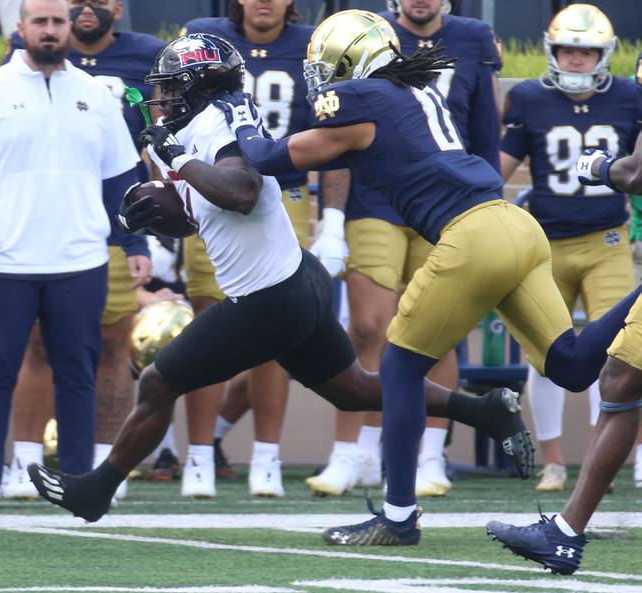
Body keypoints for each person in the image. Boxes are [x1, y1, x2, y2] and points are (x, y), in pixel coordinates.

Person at [25, 32, 534, 527]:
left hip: (270, 296)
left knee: (159, 381)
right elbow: (206, 209)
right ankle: (484, 410)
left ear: (202, 84)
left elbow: (242, 190)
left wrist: (179, 159)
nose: (165, 97)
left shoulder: (220, 120)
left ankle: (96, 491)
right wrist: (156, 213)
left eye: (176, 85)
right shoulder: (198, 125)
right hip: (294, 284)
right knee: (354, 389)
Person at [213, 9, 642, 546]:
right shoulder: (413, 91)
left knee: (397, 370)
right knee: (571, 365)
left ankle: (397, 516)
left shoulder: (361, 98)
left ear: (354, 59)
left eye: (328, 63)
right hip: (515, 224)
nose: (321, 75)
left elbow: (272, 158)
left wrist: (239, 116)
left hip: (472, 235)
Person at [0, 0, 142, 510]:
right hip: (5, 259)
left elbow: (121, 180)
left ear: (69, 28)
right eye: (39, 22)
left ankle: (76, 481)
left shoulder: (96, 95)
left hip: (81, 258)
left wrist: (135, 242)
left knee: (78, 371)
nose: (49, 31)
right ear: (21, 28)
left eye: (57, 22)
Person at [308, 0, 502, 498]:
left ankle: (431, 455)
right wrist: (331, 219)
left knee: (440, 329)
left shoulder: (473, 38)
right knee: (370, 325)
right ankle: (353, 450)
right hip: (377, 198)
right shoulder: (365, 34)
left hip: (445, 203)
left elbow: (484, 130)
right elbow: (334, 132)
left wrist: (490, 201)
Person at [483, 82, 642, 577]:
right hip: (559, 236)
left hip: (605, 237)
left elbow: (635, 173)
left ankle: (565, 534)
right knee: (617, 375)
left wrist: (598, 167)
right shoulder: (534, 100)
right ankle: (566, 532)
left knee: (617, 378)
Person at [176, 0, 334, 498]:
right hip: (208, 191)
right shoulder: (204, 37)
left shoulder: (313, 45)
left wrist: (334, 219)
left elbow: (335, 132)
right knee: (204, 324)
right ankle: (199, 455)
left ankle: (266, 455)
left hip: (280, 197)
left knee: (276, 337)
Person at [0, 0, 155, 501]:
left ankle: (105, 464)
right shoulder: (21, 64)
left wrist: (138, 234)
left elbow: (144, 150)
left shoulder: (143, 58)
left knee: (111, 346)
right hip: (45, 223)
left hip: (108, 224)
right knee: (39, 345)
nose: (89, 6)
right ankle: (24, 461)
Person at [499, 4, 639, 493]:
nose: (576, 60)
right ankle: (554, 461)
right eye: (568, 50)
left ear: (603, 56)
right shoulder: (528, 98)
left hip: (607, 241)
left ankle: (624, 455)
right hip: (546, 244)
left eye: (586, 51)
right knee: (548, 354)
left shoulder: (630, 97)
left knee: (627, 353)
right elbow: (499, 166)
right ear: (551, 51)